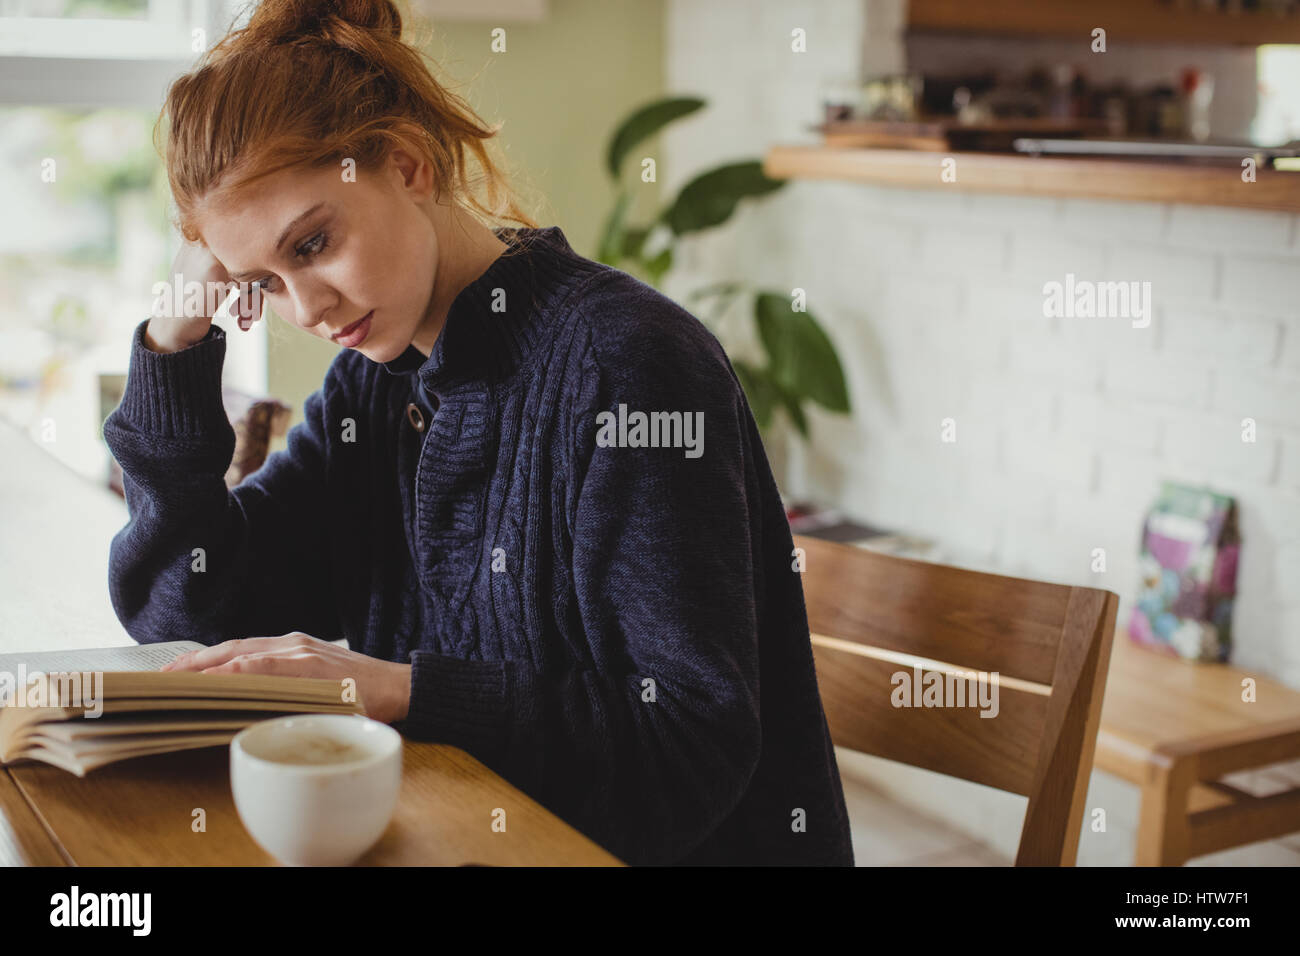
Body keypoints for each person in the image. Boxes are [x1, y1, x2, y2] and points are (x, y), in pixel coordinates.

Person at [103, 0, 854, 867]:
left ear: (410, 166)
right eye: (261, 282)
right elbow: (184, 604)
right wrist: (177, 329)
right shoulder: (373, 391)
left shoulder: (628, 365)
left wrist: (396, 691)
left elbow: (687, 751)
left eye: (312, 243)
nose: (306, 309)